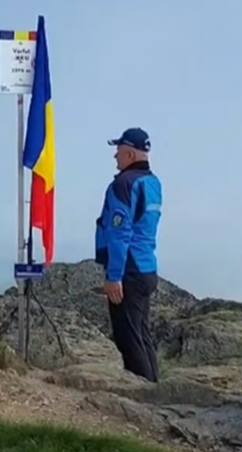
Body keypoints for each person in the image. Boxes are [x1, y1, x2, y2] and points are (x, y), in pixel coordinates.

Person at [94, 127, 162, 382]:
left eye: (119, 152)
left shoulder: (123, 184)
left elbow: (119, 232)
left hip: (128, 272)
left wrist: (114, 276)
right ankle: (155, 389)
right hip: (146, 268)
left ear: (130, 154)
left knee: (128, 339)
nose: (115, 157)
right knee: (142, 335)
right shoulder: (152, 183)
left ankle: (143, 398)